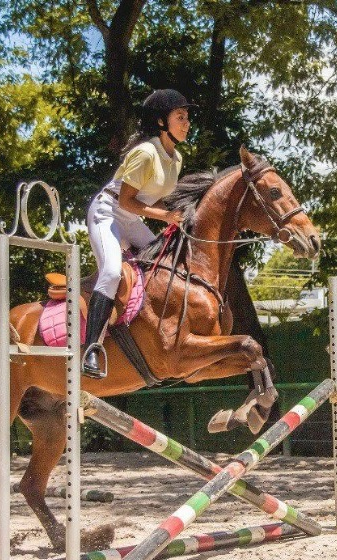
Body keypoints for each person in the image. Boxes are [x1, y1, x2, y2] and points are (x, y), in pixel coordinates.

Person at [83, 89, 195, 378]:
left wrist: (172, 217)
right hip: (107, 212)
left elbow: (152, 198)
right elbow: (125, 200)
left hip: (132, 218)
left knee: (168, 264)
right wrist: (166, 216)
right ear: (161, 122)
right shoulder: (146, 153)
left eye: (187, 117)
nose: (187, 123)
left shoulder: (176, 158)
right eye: (180, 117)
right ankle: (91, 348)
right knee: (110, 272)